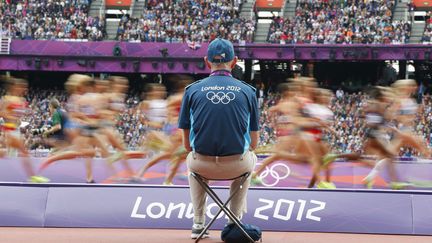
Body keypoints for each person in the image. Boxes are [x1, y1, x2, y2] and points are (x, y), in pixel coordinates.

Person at [178, 38, 259, 239]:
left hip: (202, 165)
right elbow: (254, 143)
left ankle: (198, 222)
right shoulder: (249, 91)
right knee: (251, 160)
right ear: (234, 62)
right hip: (236, 165)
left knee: (192, 165)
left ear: (207, 61)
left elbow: (187, 145)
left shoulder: (192, 90)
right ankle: (234, 221)